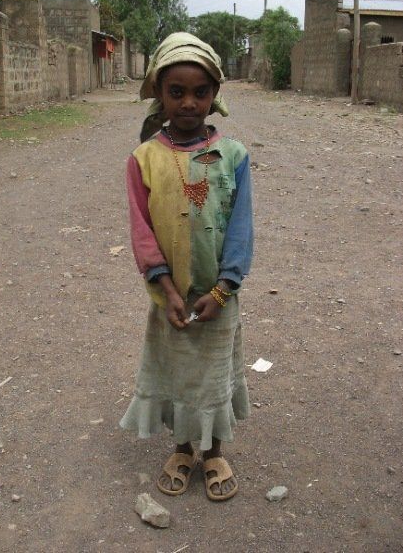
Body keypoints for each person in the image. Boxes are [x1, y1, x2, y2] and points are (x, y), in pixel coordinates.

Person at [120, 32, 254, 501]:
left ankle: (214, 450)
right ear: (159, 92)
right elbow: (142, 230)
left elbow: (240, 229)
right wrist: (165, 286)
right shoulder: (145, 159)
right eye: (177, 92)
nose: (189, 102)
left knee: (215, 370)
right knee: (177, 370)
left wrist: (223, 289)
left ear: (215, 95)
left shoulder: (233, 156)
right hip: (170, 295)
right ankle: (181, 447)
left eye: (201, 92)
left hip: (219, 295)